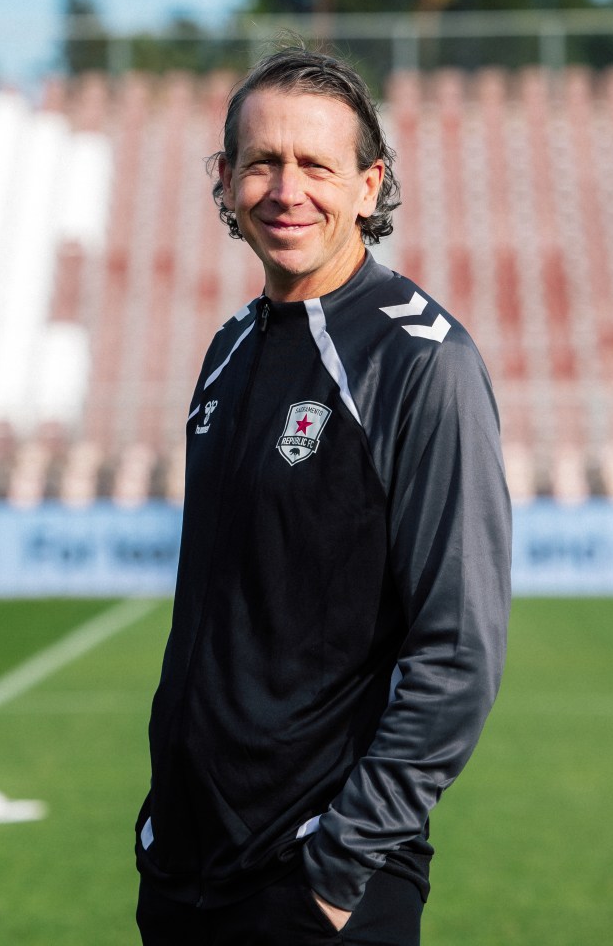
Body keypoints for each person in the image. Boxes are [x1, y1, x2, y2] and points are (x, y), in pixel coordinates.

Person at [135, 46, 512, 946]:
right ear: (224, 178)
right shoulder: (230, 346)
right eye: (261, 161)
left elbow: (458, 648)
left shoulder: (421, 360)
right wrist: (161, 821)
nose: (285, 189)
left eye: (315, 164)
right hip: (183, 866)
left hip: (314, 879)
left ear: (368, 184)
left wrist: (338, 867)